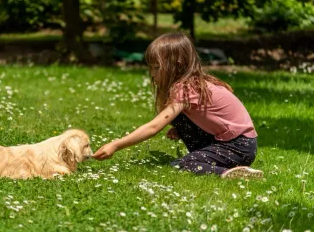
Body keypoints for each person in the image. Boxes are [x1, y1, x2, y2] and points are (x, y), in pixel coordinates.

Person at [93, 32, 263, 179]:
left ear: (178, 65)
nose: (152, 73)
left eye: (157, 67)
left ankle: (226, 173)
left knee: (185, 164)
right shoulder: (191, 84)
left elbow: (154, 127)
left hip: (238, 146)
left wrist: (116, 145)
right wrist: (182, 129)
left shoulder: (186, 88)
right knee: (178, 120)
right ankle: (222, 164)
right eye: (151, 67)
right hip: (238, 143)